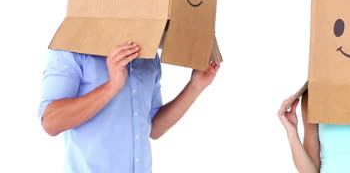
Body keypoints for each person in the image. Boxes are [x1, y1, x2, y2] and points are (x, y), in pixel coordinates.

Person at [39, 41, 220, 172]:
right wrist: (111, 87)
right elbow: (50, 121)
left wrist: (195, 86)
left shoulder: (149, 56)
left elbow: (153, 128)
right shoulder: (70, 46)